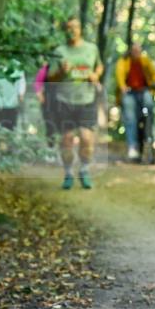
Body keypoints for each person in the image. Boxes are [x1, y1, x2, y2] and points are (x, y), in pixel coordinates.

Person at [46, 18, 103, 190]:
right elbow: (50, 78)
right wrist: (61, 72)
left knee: (87, 139)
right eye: (69, 27)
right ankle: (68, 173)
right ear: (65, 30)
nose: (72, 30)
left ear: (80, 29)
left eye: (75, 27)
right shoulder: (59, 51)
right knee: (67, 139)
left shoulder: (91, 48)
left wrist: (96, 75)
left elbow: (99, 66)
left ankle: (84, 170)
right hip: (65, 101)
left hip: (87, 100)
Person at [115, 43, 155, 161]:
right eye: (134, 50)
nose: (136, 53)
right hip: (129, 92)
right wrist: (122, 86)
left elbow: (154, 74)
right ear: (131, 51)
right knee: (130, 118)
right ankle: (133, 147)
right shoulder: (124, 61)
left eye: (138, 51)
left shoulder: (145, 61)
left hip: (144, 91)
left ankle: (151, 132)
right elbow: (119, 74)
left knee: (149, 106)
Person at [0, 66, 26, 130]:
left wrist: (21, 93)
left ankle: (7, 138)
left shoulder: (17, 65)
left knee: (10, 127)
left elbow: (22, 81)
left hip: (12, 103)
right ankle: (2, 138)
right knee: (0, 126)